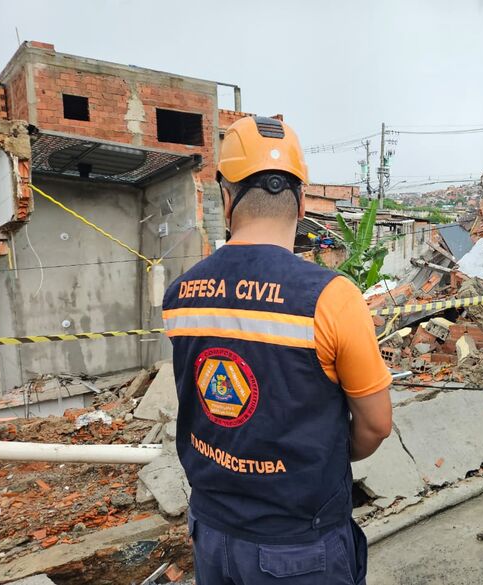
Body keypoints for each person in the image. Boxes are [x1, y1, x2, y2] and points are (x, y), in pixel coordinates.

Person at [163, 116, 393, 584]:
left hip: (211, 531)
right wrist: (324, 454)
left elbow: (201, 400)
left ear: (226, 199)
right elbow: (376, 424)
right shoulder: (332, 297)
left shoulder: (181, 293)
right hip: (299, 546)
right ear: (302, 200)